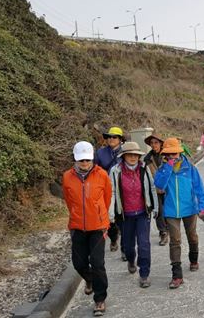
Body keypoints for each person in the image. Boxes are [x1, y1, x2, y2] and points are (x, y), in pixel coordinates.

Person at [62, 141, 111, 316]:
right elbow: (69, 200)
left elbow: (106, 198)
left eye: (87, 160)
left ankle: (100, 299)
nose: (84, 163)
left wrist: (100, 217)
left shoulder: (102, 175)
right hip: (77, 225)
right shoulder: (67, 177)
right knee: (79, 263)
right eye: (81, 160)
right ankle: (89, 280)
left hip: (97, 226)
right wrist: (76, 214)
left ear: (92, 159)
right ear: (75, 159)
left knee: (98, 264)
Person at [154, 138, 204, 289]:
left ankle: (194, 259)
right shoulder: (162, 168)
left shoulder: (189, 168)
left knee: (192, 235)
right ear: (165, 154)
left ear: (180, 152)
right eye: (169, 154)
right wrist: (167, 168)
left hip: (189, 208)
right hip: (171, 210)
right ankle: (177, 275)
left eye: (175, 153)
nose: (172, 156)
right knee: (175, 241)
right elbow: (159, 185)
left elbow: (199, 188)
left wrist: (202, 206)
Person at [109, 142, 158, 288]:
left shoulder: (144, 168)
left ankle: (144, 274)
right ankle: (131, 260)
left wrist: (154, 207)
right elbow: (111, 192)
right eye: (129, 154)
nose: (133, 157)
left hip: (143, 213)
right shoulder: (115, 171)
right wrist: (111, 212)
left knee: (144, 245)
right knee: (128, 246)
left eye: (135, 155)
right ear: (123, 156)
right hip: (125, 215)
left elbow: (152, 188)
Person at [94, 126, 125, 258]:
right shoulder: (100, 153)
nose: (111, 139)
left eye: (114, 137)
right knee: (110, 217)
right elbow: (94, 170)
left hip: (123, 188)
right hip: (106, 189)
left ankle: (125, 249)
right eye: (109, 137)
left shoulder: (126, 151)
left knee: (124, 217)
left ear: (120, 139)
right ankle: (113, 239)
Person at [143, 134, 169, 246]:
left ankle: (169, 229)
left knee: (168, 210)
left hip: (168, 188)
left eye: (156, 142)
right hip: (155, 189)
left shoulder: (167, 155)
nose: (154, 145)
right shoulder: (147, 159)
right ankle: (163, 232)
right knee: (158, 211)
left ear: (161, 143)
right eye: (152, 143)